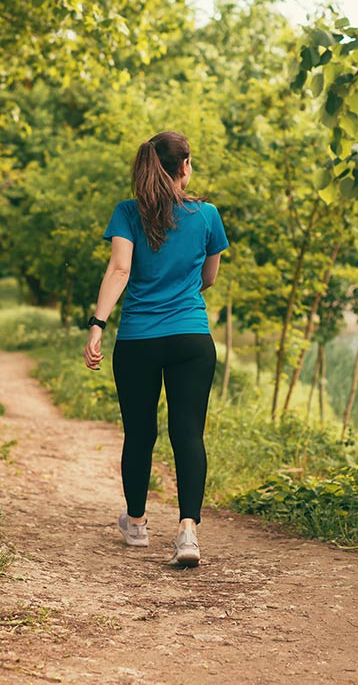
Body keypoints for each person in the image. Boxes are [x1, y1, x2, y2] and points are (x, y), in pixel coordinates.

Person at [83, 131, 228, 567]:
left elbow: (121, 268)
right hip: (191, 339)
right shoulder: (207, 216)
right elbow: (209, 278)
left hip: (138, 340)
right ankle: (187, 532)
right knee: (188, 433)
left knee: (140, 433)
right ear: (184, 166)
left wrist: (97, 325)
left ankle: (138, 523)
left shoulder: (127, 213)